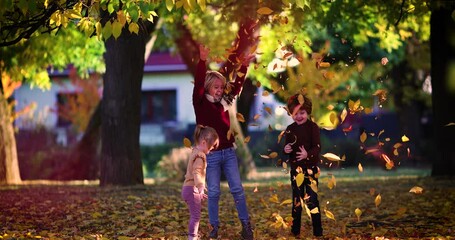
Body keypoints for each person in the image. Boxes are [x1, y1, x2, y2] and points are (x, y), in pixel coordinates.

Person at [193, 44, 254, 240]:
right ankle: (214, 228)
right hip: (210, 156)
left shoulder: (224, 102)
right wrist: (202, 60)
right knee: (214, 192)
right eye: (216, 87)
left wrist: (244, 67)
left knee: (237, 189)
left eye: (221, 87)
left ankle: (246, 226)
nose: (220, 91)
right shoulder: (201, 103)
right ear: (208, 87)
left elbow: (237, 87)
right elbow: (198, 85)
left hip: (228, 153)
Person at [283, 94, 323, 237]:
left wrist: (308, 154)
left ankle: (318, 231)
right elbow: (288, 148)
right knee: (297, 201)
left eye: (302, 113)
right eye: (295, 114)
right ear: (291, 114)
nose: (299, 116)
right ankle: (295, 231)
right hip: (296, 171)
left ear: (308, 112)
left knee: (312, 200)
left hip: (311, 169)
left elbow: (317, 148)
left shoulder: (313, 128)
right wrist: (286, 149)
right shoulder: (290, 129)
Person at [182, 124, 219, 240]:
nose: (211, 149)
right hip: (192, 188)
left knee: (195, 215)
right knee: (196, 217)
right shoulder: (200, 156)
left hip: (188, 188)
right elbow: (197, 172)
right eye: (211, 146)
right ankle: (192, 237)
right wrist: (200, 186)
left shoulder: (194, 151)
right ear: (203, 142)